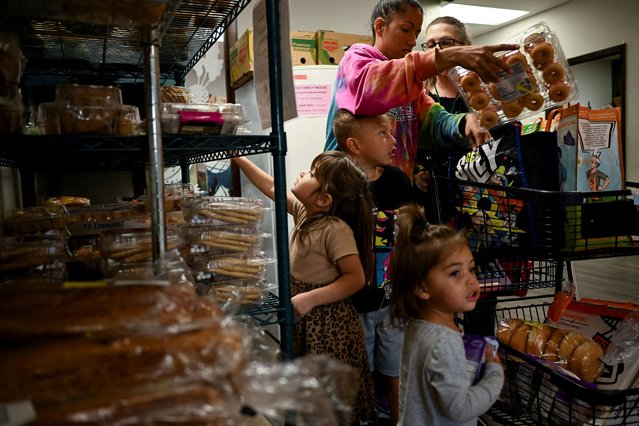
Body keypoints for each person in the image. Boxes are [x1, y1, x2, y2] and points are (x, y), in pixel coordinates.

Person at [231, 151, 377, 424]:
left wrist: (310, 298)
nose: (302, 173)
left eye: (311, 173)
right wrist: (237, 157)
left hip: (328, 325)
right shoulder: (306, 212)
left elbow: (355, 278)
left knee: (330, 397)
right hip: (307, 319)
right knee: (309, 393)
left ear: (324, 199)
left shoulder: (335, 229)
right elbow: (272, 186)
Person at [324, 0, 519, 193]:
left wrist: (464, 121)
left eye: (416, 33)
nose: (412, 41)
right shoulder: (357, 58)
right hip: (351, 191)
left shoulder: (412, 85)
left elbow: (435, 121)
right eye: (406, 30)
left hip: (395, 193)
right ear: (380, 26)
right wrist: (449, 55)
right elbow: (369, 89)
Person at [387, 204, 504, 425]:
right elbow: (460, 410)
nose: (470, 280)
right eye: (455, 273)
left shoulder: (417, 325)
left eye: (471, 268)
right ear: (423, 288)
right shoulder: (444, 342)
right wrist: (494, 375)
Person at [333, 108, 413, 424]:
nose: (393, 140)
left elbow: (412, 234)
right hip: (356, 304)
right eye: (382, 133)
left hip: (395, 301)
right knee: (357, 373)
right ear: (354, 145)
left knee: (395, 370)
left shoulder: (396, 180)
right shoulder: (338, 187)